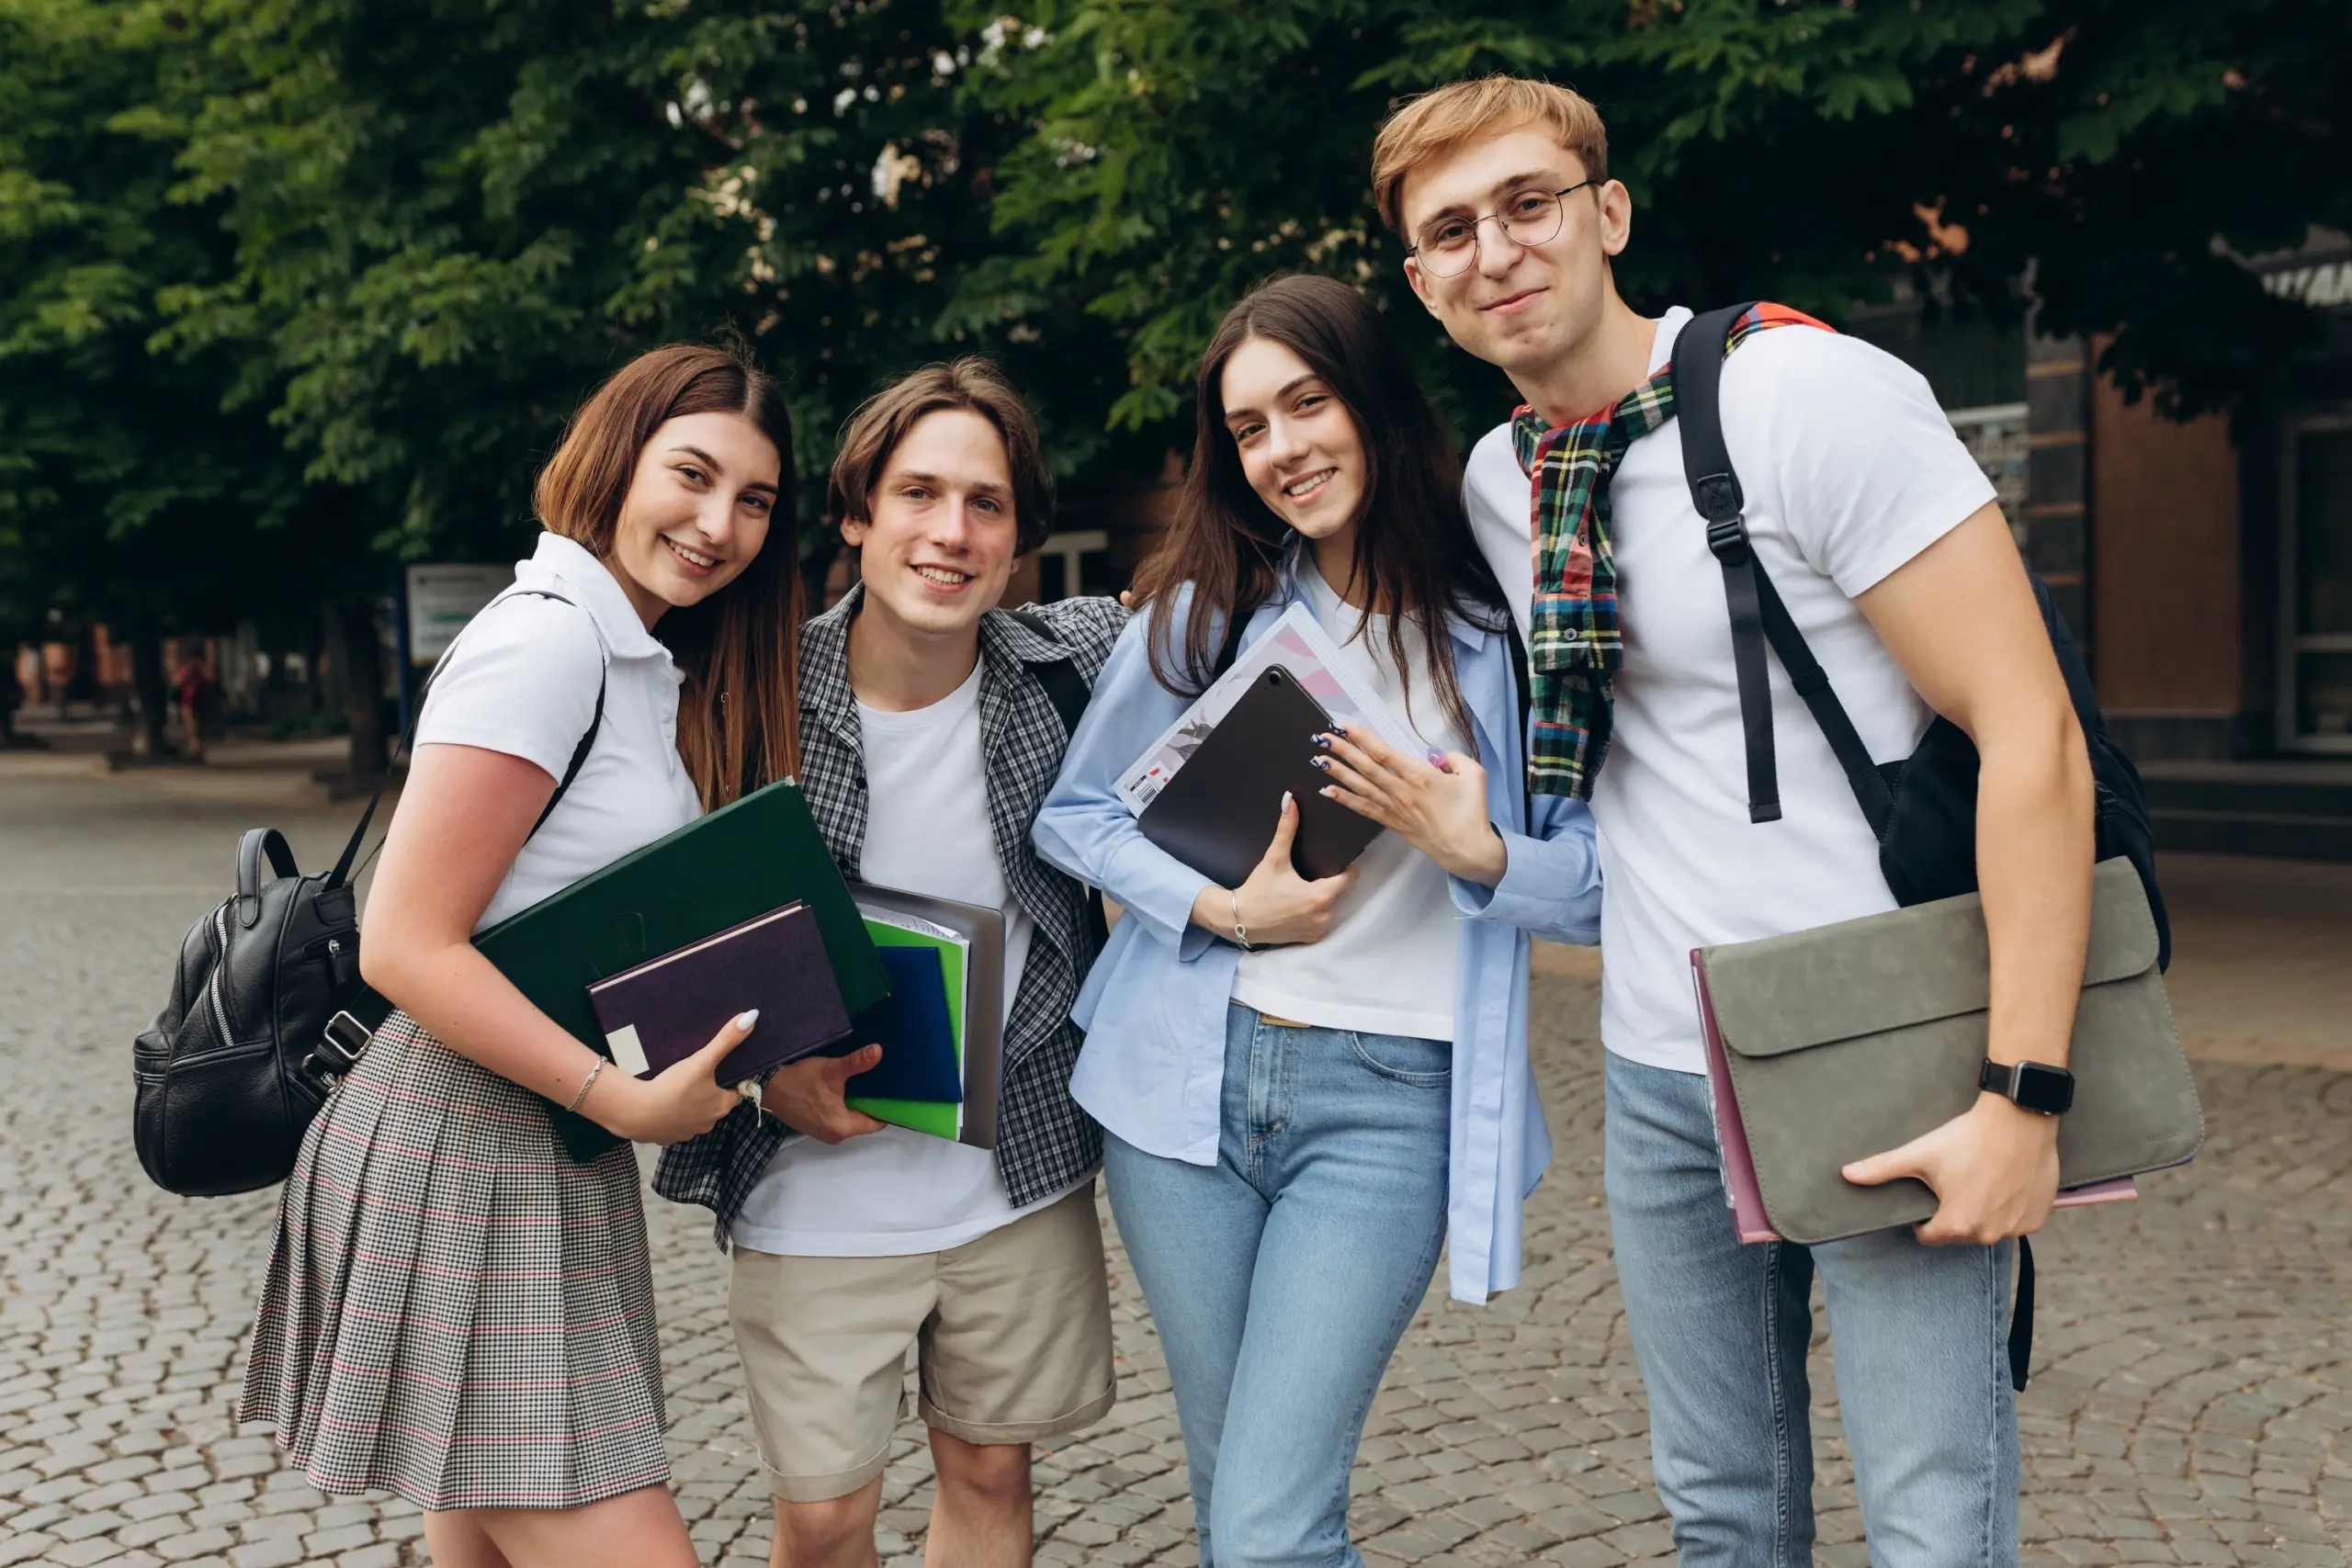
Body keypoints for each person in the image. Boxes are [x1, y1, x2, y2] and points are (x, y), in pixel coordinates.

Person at [1373, 75, 2098, 1564]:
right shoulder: (1506, 483)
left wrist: (2026, 1094)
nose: (1495, 249)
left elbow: (2032, 735)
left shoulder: (1804, 398)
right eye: (1450, 230)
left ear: (1608, 213)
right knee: (1723, 1511)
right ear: (1420, 282)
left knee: (1931, 1517)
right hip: (1656, 1060)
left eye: (1528, 202)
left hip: (1875, 1032)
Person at [1033, 274, 1603, 1568]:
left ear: (1375, 404)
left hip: (1390, 1104)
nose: (1284, 448)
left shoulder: (1503, 631)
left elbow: (1604, 879)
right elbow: (1076, 817)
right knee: (1236, 1489)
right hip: (1180, 1090)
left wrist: (1482, 850)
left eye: (1307, 402)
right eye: (1249, 428)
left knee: (1272, 1524)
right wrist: (1225, 906)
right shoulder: (1208, 612)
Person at [239, 342, 803, 1568]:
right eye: (693, 474)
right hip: (469, 1135)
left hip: (534, 1134)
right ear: (616, 457)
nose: (718, 523)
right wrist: (626, 1098)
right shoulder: (549, 643)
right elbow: (404, 940)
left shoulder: (628, 654)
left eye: (753, 498)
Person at [655, 358, 1126, 1568]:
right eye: (918, 494)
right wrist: (765, 1076)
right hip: (812, 1182)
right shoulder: (738, 694)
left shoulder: (1071, 668)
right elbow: (659, 943)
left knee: (989, 1466)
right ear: (857, 512)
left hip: (1016, 1169)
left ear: (1021, 535)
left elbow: (1229, 612)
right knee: (821, 1521)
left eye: (986, 503)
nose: (951, 532)